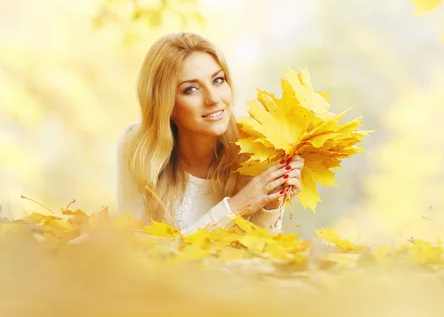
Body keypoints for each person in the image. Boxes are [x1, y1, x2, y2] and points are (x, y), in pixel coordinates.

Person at [116, 32, 303, 235]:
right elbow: (136, 251)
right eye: (191, 89)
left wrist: (271, 205)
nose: (213, 98)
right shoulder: (138, 147)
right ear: (165, 104)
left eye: (218, 80)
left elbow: (262, 257)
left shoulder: (254, 153)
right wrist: (234, 208)